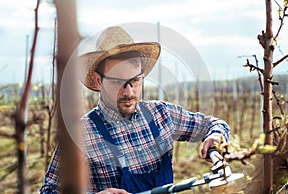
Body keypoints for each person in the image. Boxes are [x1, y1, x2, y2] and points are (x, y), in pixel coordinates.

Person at [40, 26, 230, 194]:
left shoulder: (162, 115)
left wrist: (215, 136)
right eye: (118, 82)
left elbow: (213, 124)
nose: (129, 92)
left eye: (135, 80)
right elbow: (49, 190)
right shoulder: (81, 134)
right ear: (98, 81)